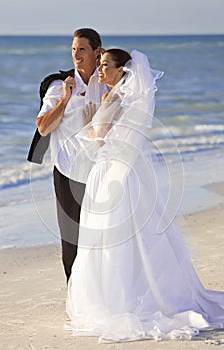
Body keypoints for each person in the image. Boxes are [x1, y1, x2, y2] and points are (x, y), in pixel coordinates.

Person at [65, 49, 224, 343]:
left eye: (104, 66)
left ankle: (119, 297)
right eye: (98, 66)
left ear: (121, 70)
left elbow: (99, 139)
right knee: (139, 233)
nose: (100, 72)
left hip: (113, 173)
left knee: (112, 237)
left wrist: (88, 121)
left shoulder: (114, 98)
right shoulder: (130, 97)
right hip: (129, 172)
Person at [35, 28, 108, 283]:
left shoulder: (107, 81)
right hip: (67, 171)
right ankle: (74, 296)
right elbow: (43, 127)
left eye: (82, 49)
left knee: (101, 236)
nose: (76, 55)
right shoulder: (58, 86)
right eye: (74, 49)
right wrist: (65, 100)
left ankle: (100, 293)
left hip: (100, 171)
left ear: (97, 51)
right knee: (71, 239)